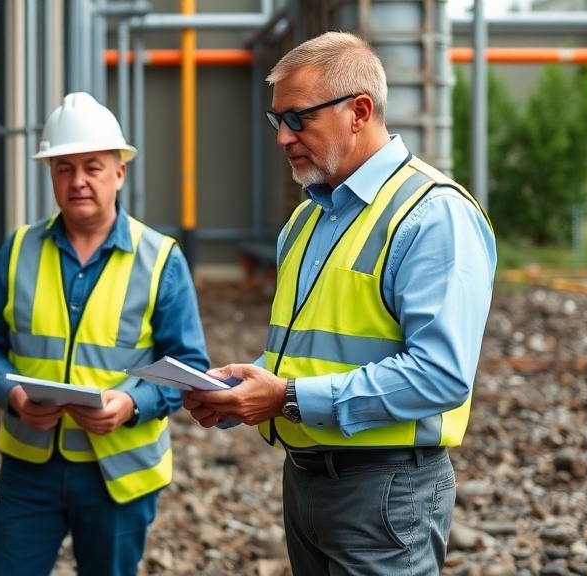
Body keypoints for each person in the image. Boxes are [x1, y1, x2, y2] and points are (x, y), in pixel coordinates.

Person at [182, 31, 497, 575]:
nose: (283, 137)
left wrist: (286, 399)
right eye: (276, 119)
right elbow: (309, 355)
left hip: (387, 490)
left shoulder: (432, 215)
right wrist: (242, 387)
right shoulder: (306, 220)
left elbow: (441, 375)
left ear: (360, 111)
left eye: (298, 118)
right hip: (306, 481)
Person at [0, 91, 209, 576]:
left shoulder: (161, 259)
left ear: (119, 172)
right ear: (51, 175)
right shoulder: (17, 249)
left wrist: (133, 404)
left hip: (117, 474)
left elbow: (190, 369)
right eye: (63, 168)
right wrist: (11, 393)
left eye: (92, 167)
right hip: (29, 470)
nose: (77, 181)